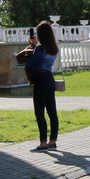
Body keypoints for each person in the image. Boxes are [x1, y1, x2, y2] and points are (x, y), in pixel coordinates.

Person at [24, 20, 61, 150]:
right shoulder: (53, 48)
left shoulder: (39, 48)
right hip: (49, 78)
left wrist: (32, 47)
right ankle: (53, 141)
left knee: (39, 112)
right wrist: (35, 45)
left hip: (40, 79)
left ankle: (42, 143)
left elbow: (30, 63)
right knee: (52, 112)